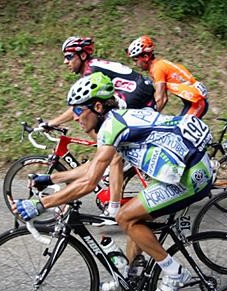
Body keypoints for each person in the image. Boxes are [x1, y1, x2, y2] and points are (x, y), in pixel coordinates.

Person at [12, 72, 214, 291]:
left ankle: (175, 273)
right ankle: (131, 277)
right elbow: (94, 166)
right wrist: (51, 179)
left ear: (97, 107)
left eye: (78, 110)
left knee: (126, 217)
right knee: (134, 219)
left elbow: (89, 183)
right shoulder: (116, 121)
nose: (75, 117)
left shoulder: (111, 127)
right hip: (182, 169)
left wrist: (41, 204)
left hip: (190, 175)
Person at [43, 36, 156, 217]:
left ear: (82, 55)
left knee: (112, 150)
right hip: (137, 95)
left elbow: (79, 108)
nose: (65, 62)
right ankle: (115, 164)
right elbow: (80, 109)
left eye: (69, 57)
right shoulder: (91, 68)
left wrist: (51, 123)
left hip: (137, 97)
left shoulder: (91, 71)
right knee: (100, 129)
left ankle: (114, 208)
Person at [127, 35, 209, 118]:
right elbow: (164, 99)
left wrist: (148, 118)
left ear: (146, 57)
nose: (135, 64)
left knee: (179, 125)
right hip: (194, 101)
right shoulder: (160, 65)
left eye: (136, 60)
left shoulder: (157, 69)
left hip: (196, 102)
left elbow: (160, 99)